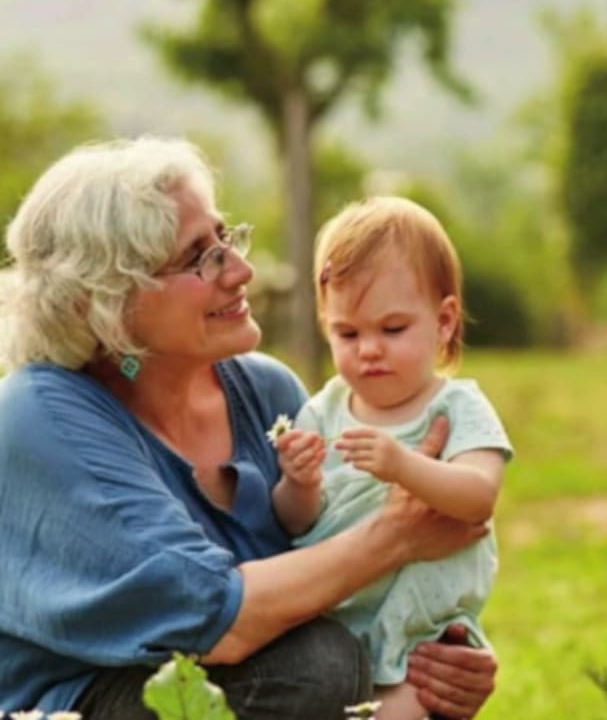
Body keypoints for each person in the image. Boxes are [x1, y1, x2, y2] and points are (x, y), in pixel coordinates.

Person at [0, 137, 497, 719]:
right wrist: (398, 535)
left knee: (333, 664)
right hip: (83, 701)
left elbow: (328, 570)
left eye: (225, 239)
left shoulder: (267, 393)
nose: (240, 270)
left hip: (235, 678)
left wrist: (436, 656)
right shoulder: (39, 417)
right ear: (103, 301)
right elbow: (216, 619)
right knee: (315, 666)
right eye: (198, 257)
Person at [273, 196, 511, 720]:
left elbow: (478, 497)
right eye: (348, 333)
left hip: (419, 634)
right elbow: (296, 522)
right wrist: (300, 482)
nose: (369, 350)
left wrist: (403, 465)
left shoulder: (455, 406)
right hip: (336, 621)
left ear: (444, 321)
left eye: (392, 329)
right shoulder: (325, 409)